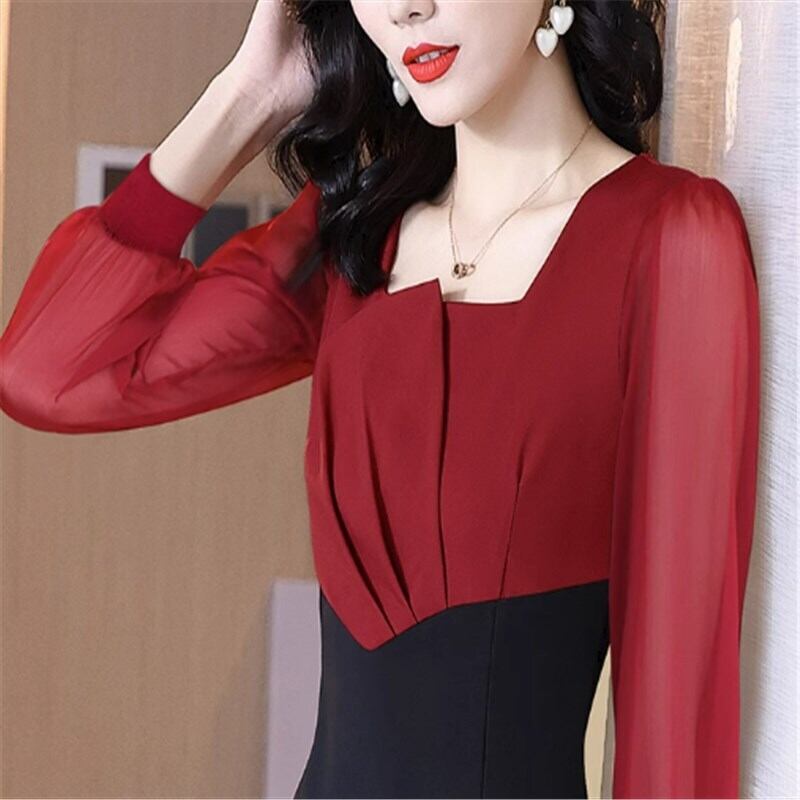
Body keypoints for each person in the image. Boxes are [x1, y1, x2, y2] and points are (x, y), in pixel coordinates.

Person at [0, 1, 761, 797]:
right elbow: (48, 372)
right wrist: (247, 96)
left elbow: (676, 734)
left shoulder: (669, 239)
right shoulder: (358, 237)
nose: (404, 7)